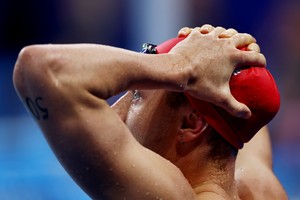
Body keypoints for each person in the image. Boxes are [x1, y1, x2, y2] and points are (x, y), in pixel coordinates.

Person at [13, 24, 287, 199]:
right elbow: (245, 111)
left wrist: (182, 64)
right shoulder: (259, 186)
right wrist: (219, 46)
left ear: (191, 124)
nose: (115, 112)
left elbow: (37, 68)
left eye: (136, 97)